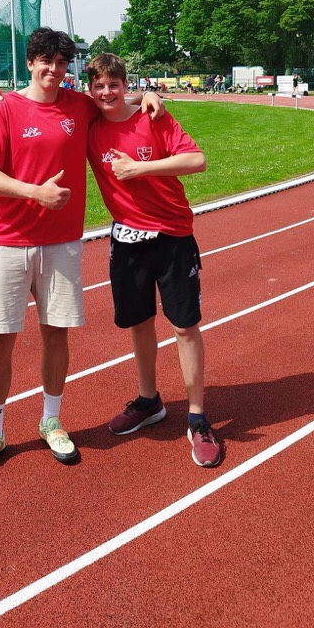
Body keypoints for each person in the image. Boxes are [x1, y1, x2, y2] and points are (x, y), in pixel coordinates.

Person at [0, 28, 163, 479]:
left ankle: (51, 421)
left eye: (61, 63)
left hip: (62, 243)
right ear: (30, 63)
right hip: (9, 241)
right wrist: (34, 193)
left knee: (56, 335)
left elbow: (115, 101)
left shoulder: (78, 104)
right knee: (0, 340)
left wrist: (149, 95)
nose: (54, 71)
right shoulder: (5, 109)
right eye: (46, 62)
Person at [86, 53, 221, 468]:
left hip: (172, 235)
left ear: (126, 85)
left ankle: (197, 417)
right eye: (99, 85)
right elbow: (47, 102)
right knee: (139, 323)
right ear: (90, 89)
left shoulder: (152, 117)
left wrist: (141, 168)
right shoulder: (89, 124)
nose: (106, 92)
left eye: (114, 84)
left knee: (184, 326)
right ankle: (149, 401)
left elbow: (196, 160)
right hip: (127, 240)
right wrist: (1, 101)